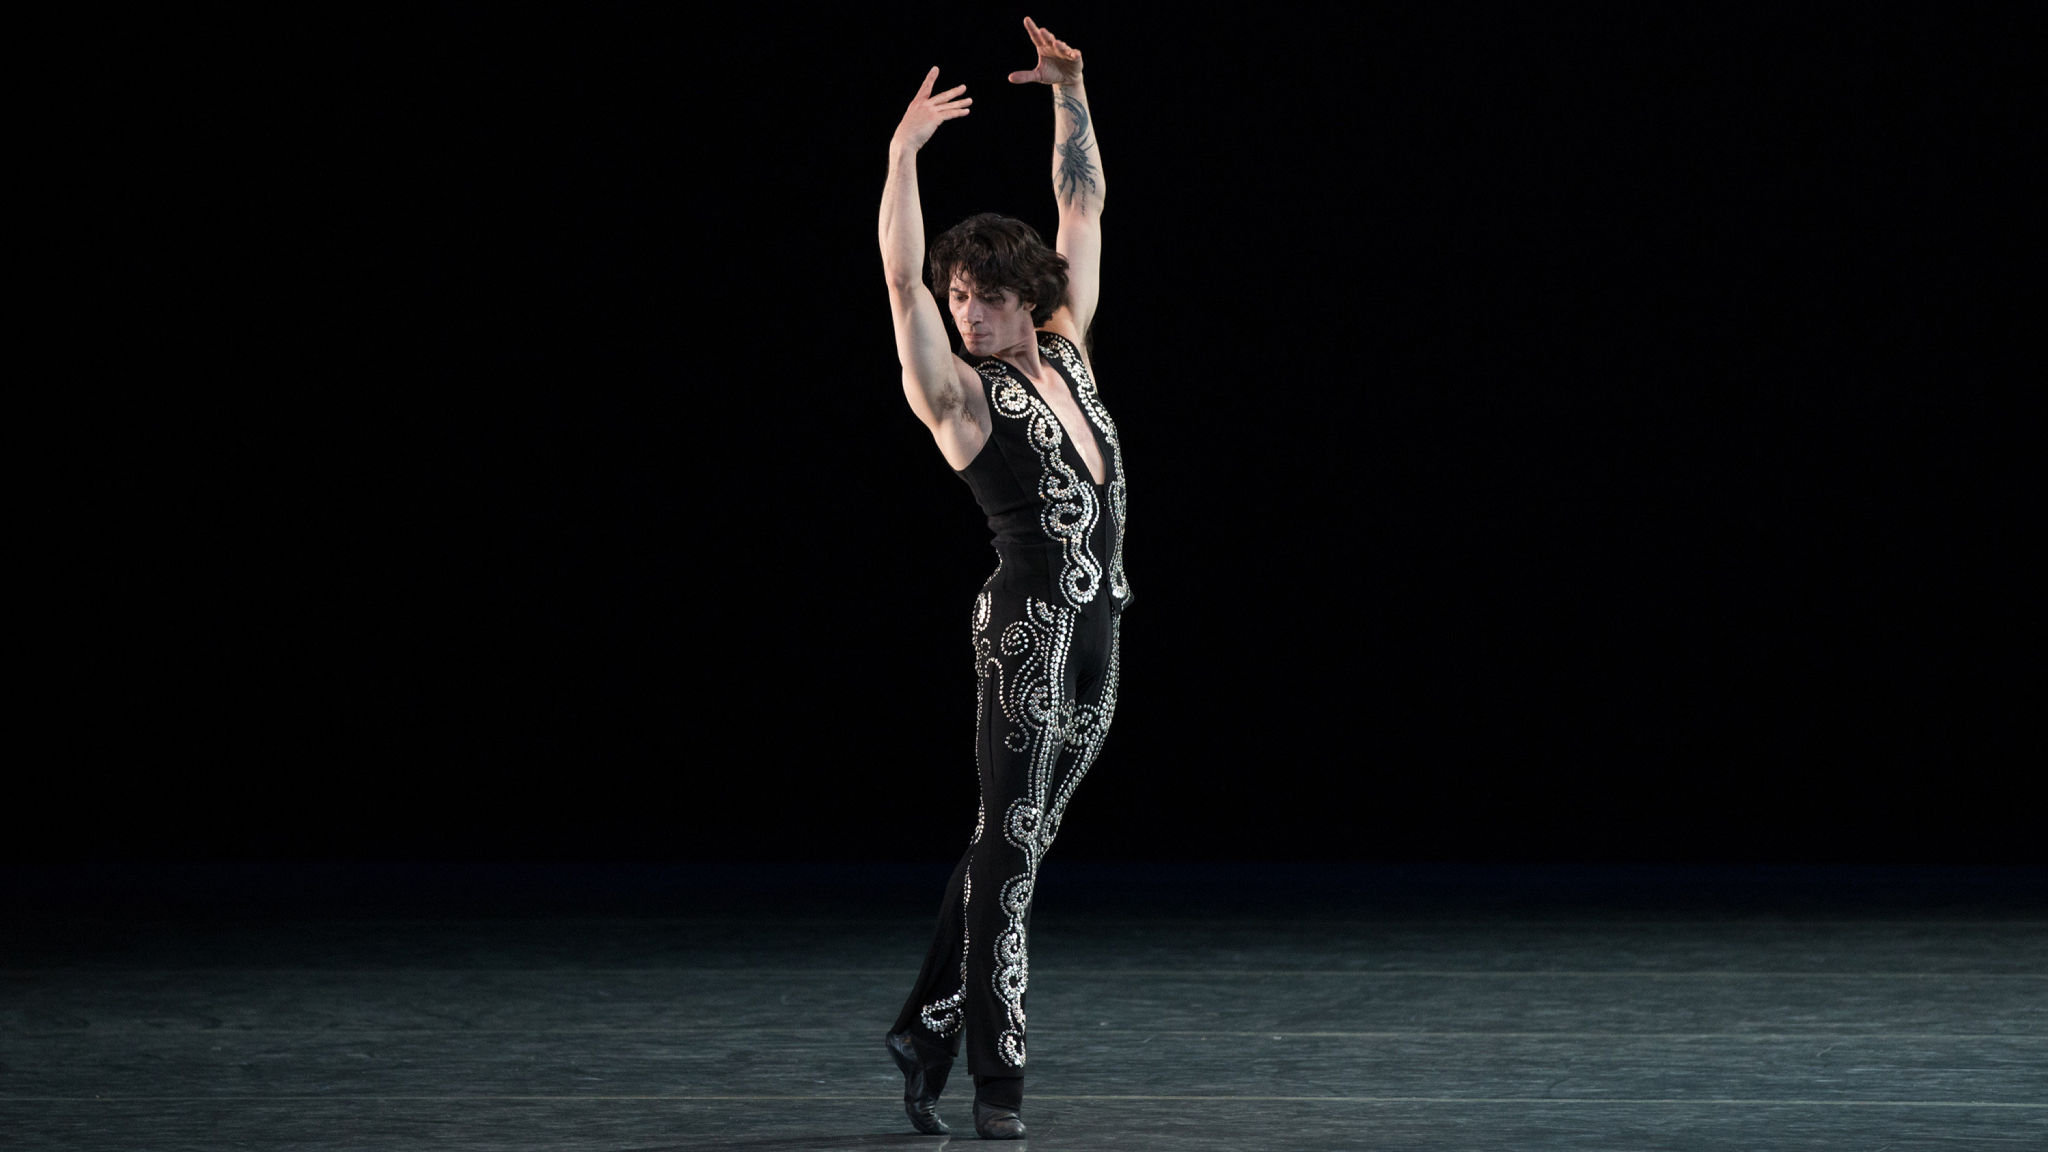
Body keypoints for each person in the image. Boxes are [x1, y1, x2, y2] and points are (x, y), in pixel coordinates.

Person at [878, 16, 1130, 1142]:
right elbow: (895, 284)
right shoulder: (965, 401)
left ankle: (921, 1026)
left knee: (1013, 839)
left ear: (1025, 296)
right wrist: (900, 162)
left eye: (982, 295)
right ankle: (996, 1078)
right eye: (956, 298)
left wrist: (1069, 92)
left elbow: (1081, 206)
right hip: (1025, 630)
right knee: (1012, 844)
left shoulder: (1068, 352)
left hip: (1100, 636)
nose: (964, 312)